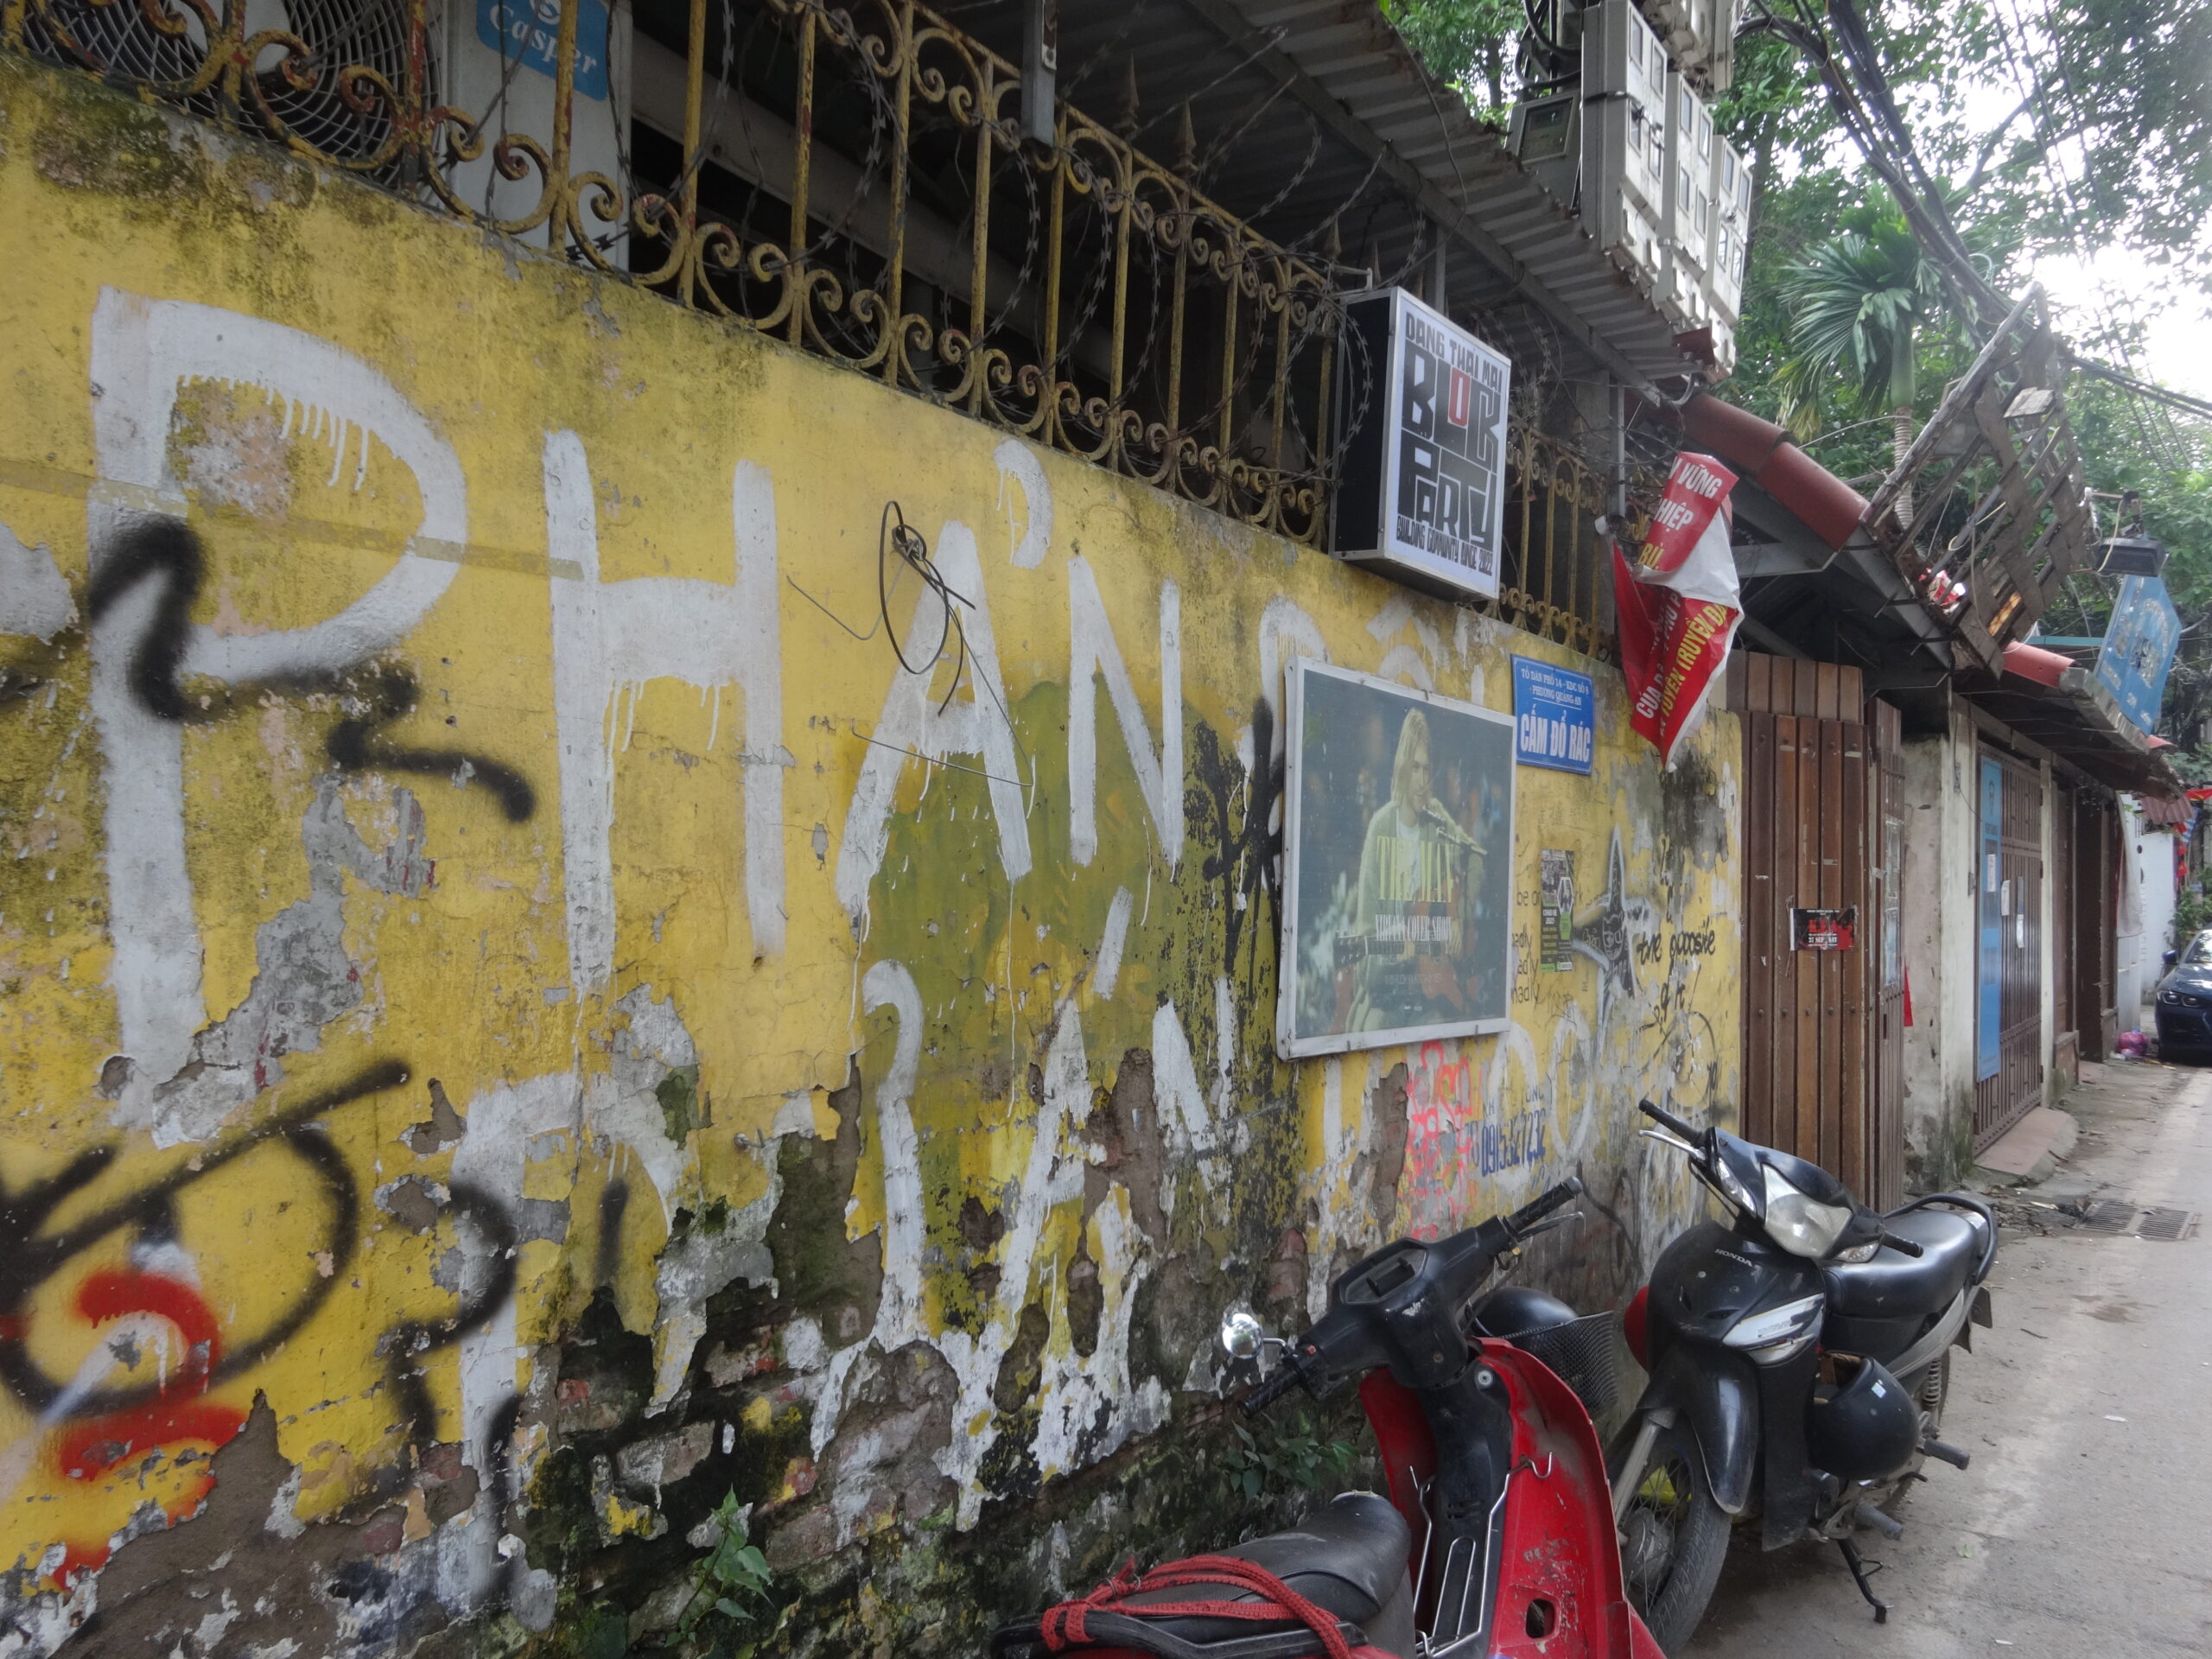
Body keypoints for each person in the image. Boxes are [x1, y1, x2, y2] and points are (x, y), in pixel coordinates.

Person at [1348, 709, 1484, 1031]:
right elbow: (1364, 962)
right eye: (1415, 768)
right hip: (1386, 1001)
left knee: (1445, 1028)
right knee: (1379, 1029)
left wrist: (1457, 916)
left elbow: (1475, 861)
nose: (1423, 781)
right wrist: (1394, 951)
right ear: (1402, 769)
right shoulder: (1381, 828)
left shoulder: (1436, 821)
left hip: (1431, 993)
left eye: (1427, 770)